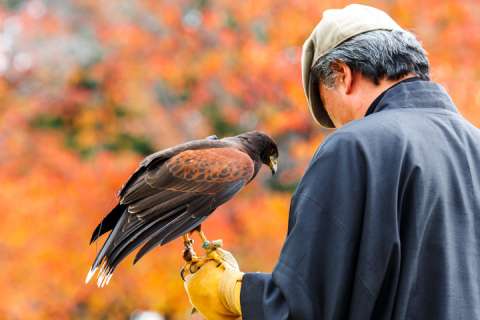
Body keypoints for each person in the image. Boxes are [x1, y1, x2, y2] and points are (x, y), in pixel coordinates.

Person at [181, 4, 480, 320]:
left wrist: (232, 291)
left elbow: (305, 305)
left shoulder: (355, 146)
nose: (338, 125)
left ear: (342, 74)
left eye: (328, 104)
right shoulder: (474, 144)